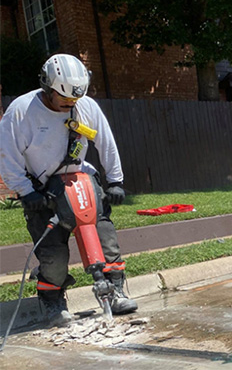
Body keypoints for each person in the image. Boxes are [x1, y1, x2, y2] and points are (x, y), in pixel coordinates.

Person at [0, 54, 138, 326]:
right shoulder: (21, 111)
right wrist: (25, 192)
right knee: (53, 256)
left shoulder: (85, 106)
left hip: (81, 180)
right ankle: (52, 302)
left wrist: (115, 182)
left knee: (105, 238)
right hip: (41, 191)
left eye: (75, 99)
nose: (70, 104)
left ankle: (115, 291)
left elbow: (105, 142)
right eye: (64, 98)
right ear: (47, 86)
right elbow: (7, 156)